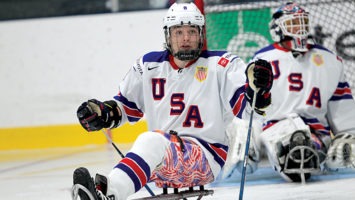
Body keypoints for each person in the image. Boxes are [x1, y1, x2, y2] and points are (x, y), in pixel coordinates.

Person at [71, 2, 273, 200]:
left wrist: (258, 89)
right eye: (178, 32)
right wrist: (102, 113)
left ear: (201, 34)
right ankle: (104, 191)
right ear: (168, 35)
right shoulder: (147, 65)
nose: (186, 38)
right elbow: (125, 108)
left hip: (206, 157)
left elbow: (247, 108)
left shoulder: (223, 64)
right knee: (152, 143)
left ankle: (108, 195)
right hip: (163, 157)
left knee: (150, 140)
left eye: (192, 32)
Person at [228, 1, 355, 183]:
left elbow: (341, 105)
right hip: (274, 130)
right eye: (293, 23)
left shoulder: (330, 59)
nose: (300, 28)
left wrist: (347, 133)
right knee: (239, 139)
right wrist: (249, 135)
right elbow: (252, 103)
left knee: (346, 153)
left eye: (302, 22)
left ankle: (307, 150)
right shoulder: (263, 59)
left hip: (316, 132)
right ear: (277, 29)